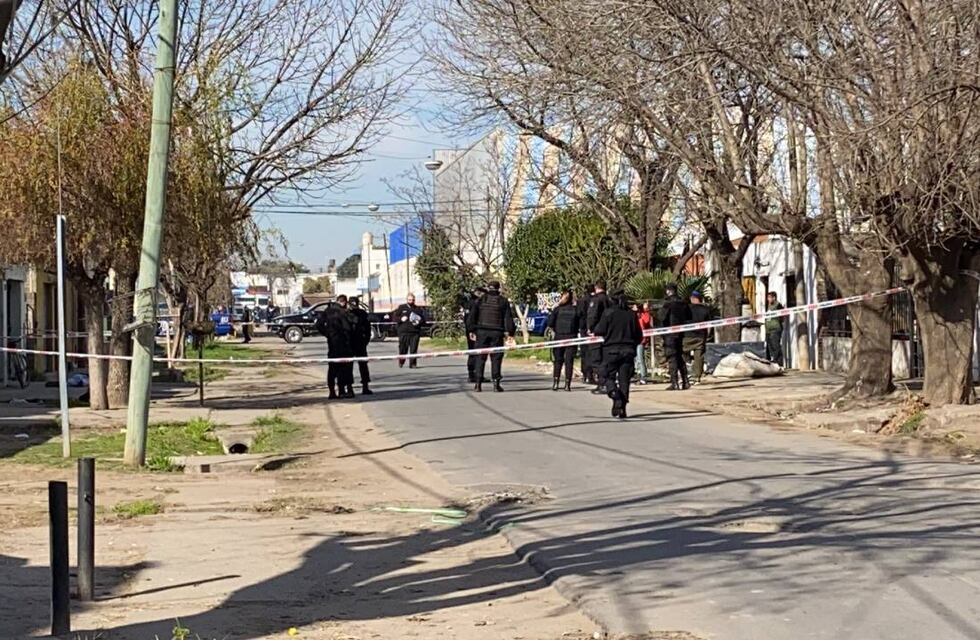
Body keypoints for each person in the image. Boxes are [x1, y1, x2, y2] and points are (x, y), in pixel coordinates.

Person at [593, 290, 643, 419]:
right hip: (628, 351)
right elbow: (639, 335)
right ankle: (622, 408)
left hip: (611, 351)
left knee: (606, 375)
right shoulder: (631, 315)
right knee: (624, 380)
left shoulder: (608, 313)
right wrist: (632, 344)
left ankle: (614, 392)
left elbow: (599, 330)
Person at [466, 280, 516, 392]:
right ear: (499, 289)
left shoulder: (480, 300)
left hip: (482, 332)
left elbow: (472, 317)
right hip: (497, 333)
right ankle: (496, 384)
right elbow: (508, 319)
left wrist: (471, 330)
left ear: (488, 288)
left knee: (480, 357)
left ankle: (478, 384)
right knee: (496, 358)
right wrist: (510, 333)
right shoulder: (503, 301)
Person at [315, 296, 355, 399]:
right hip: (344, 343)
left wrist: (327, 334)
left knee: (332, 368)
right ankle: (343, 390)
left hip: (332, 342)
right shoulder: (343, 312)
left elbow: (318, 324)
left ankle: (332, 392)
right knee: (345, 367)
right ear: (344, 302)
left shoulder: (327, 311)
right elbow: (348, 328)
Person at [658, 283, 692, 390]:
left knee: (672, 357)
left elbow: (661, 317)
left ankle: (675, 382)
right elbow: (689, 316)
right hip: (681, 334)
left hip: (670, 334)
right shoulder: (683, 303)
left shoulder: (668, 303)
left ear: (669, 291)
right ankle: (685, 381)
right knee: (679, 356)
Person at [546, 290, 579, 391]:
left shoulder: (557, 309)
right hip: (571, 337)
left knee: (558, 361)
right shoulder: (575, 310)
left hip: (559, 337)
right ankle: (567, 385)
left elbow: (550, 323)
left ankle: (555, 383)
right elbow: (580, 324)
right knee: (569, 361)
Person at [586, 280, 610, 394]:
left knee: (596, 360)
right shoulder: (609, 300)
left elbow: (592, 316)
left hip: (597, 333)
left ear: (596, 288)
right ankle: (607, 383)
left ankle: (602, 384)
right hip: (608, 334)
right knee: (606, 360)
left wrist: (590, 328)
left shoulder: (596, 300)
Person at [684, 291, 711, 383]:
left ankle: (686, 371)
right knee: (699, 356)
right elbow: (709, 325)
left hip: (687, 336)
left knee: (682, 352)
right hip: (700, 336)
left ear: (693, 299)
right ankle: (697, 376)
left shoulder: (686, 308)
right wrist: (707, 336)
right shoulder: (705, 309)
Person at [348, 296, 373, 395]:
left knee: (363, 365)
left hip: (361, 343)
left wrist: (366, 340)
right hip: (349, 343)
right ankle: (349, 387)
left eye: (355, 304)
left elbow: (367, 328)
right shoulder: (346, 314)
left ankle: (365, 386)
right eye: (352, 304)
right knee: (348, 366)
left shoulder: (362, 314)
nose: (354, 306)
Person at [394, 293, 426, 368]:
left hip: (414, 333)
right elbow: (395, 318)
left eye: (412, 300)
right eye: (409, 300)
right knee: (402, 348)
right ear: (407, 300)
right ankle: (401, 361)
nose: (411, 301)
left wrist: (419, 322)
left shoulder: (418, 309)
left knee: (413, 349)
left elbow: (423, 320)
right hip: (403, 332)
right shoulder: (401, 308)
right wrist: (400, 319)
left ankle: (413, 364)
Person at [464, 287, 487, 382]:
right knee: (477, 353)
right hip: (475, 331)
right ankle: (476, 374)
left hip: (471, 330)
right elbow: (470, 319)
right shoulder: (475, 303)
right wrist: (472, 331)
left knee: (473, 352)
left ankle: (473, 374)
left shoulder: (469, 303)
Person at [577, 284, 595, 383]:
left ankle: (585, 374)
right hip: (592, 329)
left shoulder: (581, 301)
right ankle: (590, 374)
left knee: (584, 353)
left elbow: (578, 314)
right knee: (592, 352)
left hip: (583, 329)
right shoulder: (595, 300)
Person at [765, 291, 785, 366]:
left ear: (774, 298)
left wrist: (779, 322)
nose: (768, 299)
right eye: (768, 297)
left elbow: (783, 315)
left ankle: (778, 362)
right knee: (770, 346)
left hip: (775, 329)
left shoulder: (778, 305)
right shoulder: (769, 306)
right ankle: (771, 361)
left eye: (770, 297)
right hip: (768, 330)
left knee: (776, 346)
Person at [635, 301, 652, 385]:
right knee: (636, 359)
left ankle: (643, 376)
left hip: (641, 340)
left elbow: (646, 321)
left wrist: (644, 311)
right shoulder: (634, 315)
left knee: (640, 359)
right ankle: (637, 374)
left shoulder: (644, 315)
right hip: (633, 339)